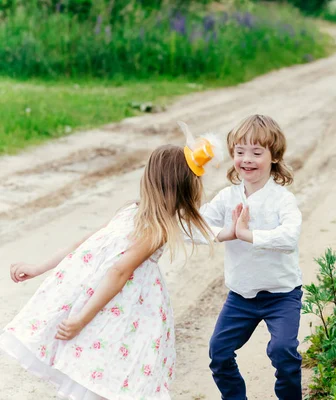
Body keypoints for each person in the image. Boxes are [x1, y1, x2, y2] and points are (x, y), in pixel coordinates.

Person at [1, 140, 217, 400]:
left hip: (121, 312)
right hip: (101, 304)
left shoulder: (156, 229)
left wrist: (82, 319)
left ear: (150, 178)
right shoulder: (130, 211)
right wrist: (37, 268)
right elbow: (83, 245)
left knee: (108, 378)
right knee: (92, 371)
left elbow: (119, 272)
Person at [201, 114, 303, 400]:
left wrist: (248, 235)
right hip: (241, 296)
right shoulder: (226, 198)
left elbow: (289, 237)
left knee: (283, 351)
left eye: (257, 152)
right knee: (219, 354)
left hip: (282, 295)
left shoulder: (282, 199)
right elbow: (194, 227)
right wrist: (226, 233)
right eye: (239, 151)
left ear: (274, 157)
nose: (247, 159)